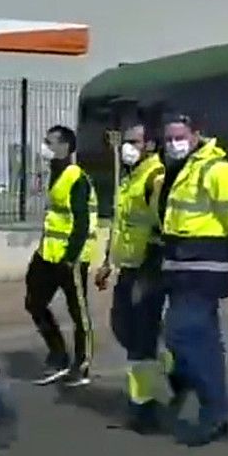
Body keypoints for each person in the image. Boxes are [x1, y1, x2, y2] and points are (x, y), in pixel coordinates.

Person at [159, 116, 228, 446]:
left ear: (197, 135)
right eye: (168, 138)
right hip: (180, 265)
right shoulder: (179, 170)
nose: (173, 143)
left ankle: (209, 405)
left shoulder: (219, 170)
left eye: (180, 136)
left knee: (180, 334)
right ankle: (216, 415)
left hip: (204, 265)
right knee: (206, 343)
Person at [94, 125, 171, 433]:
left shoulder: (156, 177)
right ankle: (171, 366)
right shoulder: (130, 178)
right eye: (125, 141)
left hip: (150, 264)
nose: (126, 147)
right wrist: (107, 262)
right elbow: (120, 224)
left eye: (133, 141)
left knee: (140, 336)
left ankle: (144, 409)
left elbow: (167, 219)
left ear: (149, 144)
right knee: (122, 326)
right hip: (128, 264)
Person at [26, 124, 99, 386]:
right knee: (34, 302)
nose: (45, 146)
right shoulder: (54, 174)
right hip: (48, 253)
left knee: (78, 312)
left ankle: (82, 365)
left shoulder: (75, 178)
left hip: (71, 257)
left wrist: (71, 255)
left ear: (65, 147)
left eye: (50, 142)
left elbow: (81, 222)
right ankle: (58, 354)